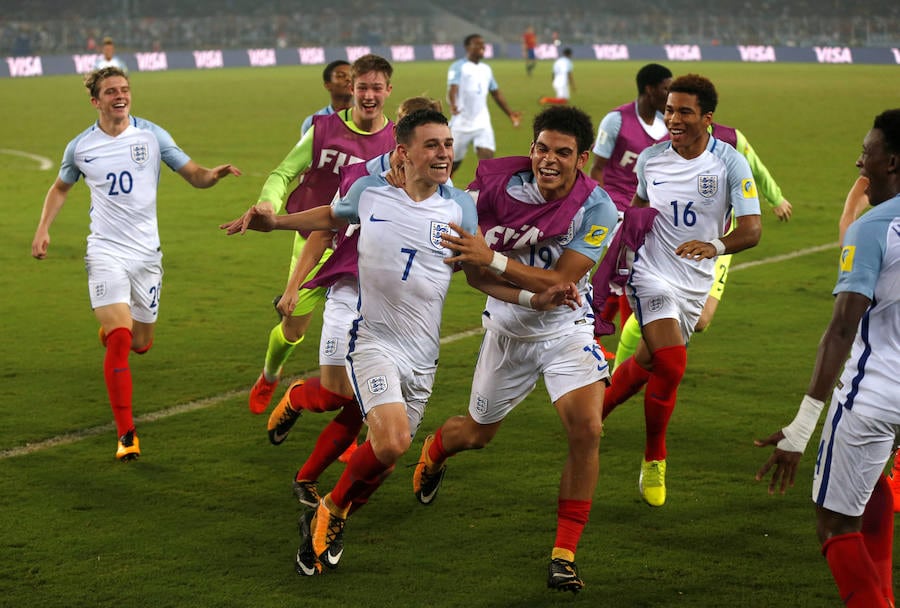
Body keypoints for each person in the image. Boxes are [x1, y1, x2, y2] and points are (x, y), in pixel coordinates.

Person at [221, 109, 581, 575]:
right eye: (432, 145)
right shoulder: (372, 194)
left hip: (422, 358)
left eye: (448, 144)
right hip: (373, 341)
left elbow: (477, 276)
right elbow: (330, 216)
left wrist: (535, 298)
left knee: (384, 462)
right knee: (389, 442)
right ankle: (329, 507)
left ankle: (332, 517)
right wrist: (274, 223)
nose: (445, 153)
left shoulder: (459, 209)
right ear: (403, 153)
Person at [411, 105, 619, 593]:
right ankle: (434, 451)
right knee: (477, 434)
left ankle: (563, 555)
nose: (549, 160)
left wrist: (494, 256)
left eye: (563, 153)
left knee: (588, 428)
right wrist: (501, 273)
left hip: (567, 328)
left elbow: (564, 280)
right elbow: (476, 274)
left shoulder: (598, 207)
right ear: (531, 149)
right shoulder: (493, 191)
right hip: (507, 332)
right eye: (542, 149)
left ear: (582, 158)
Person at [31, 66, 240, 461]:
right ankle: (126, 435)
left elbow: (193, 173)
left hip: (147, 255)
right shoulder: (81, 147)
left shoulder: (151, 135)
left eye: (124, 89)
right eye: (111, 91)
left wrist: (213, 175)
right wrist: (43, 228)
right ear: (96, 101)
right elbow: (60, 188)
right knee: (123, 337)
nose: (120, 96)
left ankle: (114, 330)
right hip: (105, 250)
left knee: (140, 343)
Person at [262, 97, 445, 510]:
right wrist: (294, 286)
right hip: (351, 297)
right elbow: (324, 231)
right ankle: (296, 397)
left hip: (398, 315)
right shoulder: (362, 177)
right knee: (335, 395)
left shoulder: (442, 190)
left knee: (363, 407)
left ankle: (308, 479)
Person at [754, 109, 900, 608]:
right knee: (873, 485)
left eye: (868, 151)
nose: (859, 159)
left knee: (834, 521)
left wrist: (800, 428)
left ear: (893, 162)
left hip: (873, 397)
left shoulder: (873, 228)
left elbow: (841, 329)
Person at [600, 74, 762, 507]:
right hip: (650, 273)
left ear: (707, 118)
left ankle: (598, 409)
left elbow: (751, 230)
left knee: (651, 358)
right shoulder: (650, 160)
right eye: (669, 110)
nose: (672, 118)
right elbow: (636, 210)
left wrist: (714, 245)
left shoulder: (729, 163)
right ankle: (655, 456)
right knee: (671, 364)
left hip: (694, 282)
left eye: (684, 111)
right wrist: (620, 252)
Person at [246, 54, 396, 416]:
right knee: (293, 328)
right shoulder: (324, 130)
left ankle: (358, 434)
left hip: (364, 251)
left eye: (377, 87)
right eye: (363, 87)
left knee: (371, 341)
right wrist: (268, 203)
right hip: (315, 239)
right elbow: (283, 173)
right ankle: (270, 375)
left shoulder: (396, 139)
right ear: (352, 88)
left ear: (388, 90)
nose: (369, 95)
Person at [612, 119, 795, 364]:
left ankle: (652, 359)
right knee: (656, 310)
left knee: (700, 320)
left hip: (719, 243)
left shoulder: (731, 140)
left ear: (705, 116)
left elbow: (756, 168)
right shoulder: (670, 148)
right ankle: (622, 372)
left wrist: (776, 199)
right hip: (673, 243)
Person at [447, 34, 522, 177]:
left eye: (483, 44)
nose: (482, 47)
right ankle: (439, 193)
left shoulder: (486, 69)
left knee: (487, 163)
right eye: (477, 44)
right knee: (451, 166)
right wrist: (453, 104)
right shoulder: (458, 67)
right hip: (461, 123)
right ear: (467, 47)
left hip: (482, 123)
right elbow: (453, 88)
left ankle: (483, 194)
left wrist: (510, 113)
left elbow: (495, 93)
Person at [299, 60, 353, 137]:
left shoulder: (369, 118)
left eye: (352, 76)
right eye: (341, 76)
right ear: (327, 85)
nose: (348, 79)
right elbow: (306, 149)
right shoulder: (313, 123)